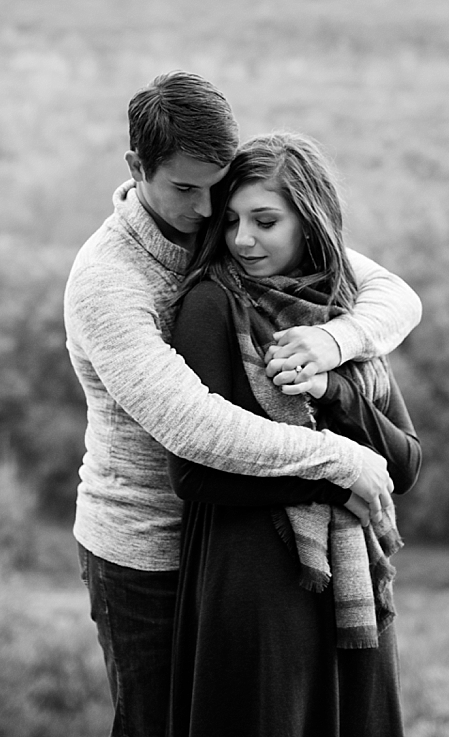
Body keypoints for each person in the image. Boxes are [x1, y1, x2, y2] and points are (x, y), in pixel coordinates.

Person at [64, 72, 422, 737]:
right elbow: (193, 426)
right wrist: (339, 459)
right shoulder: (108, 281)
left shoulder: (233, 236)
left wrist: (330, 341)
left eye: (218, 189)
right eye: (185, 190)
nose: (207, 213)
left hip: (242, 539)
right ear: (137, 168)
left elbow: (392, 294)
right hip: (145, 552)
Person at [167, 131, 422, 737]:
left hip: (351, 584)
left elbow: (405, 465)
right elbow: (194, 473)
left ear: (309, 222)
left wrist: (331, 386)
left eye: (265, 221)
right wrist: (335, 484)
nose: (243, 240)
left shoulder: (345, 315)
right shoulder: (212, 305)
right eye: (230, 221)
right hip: (254, 581)